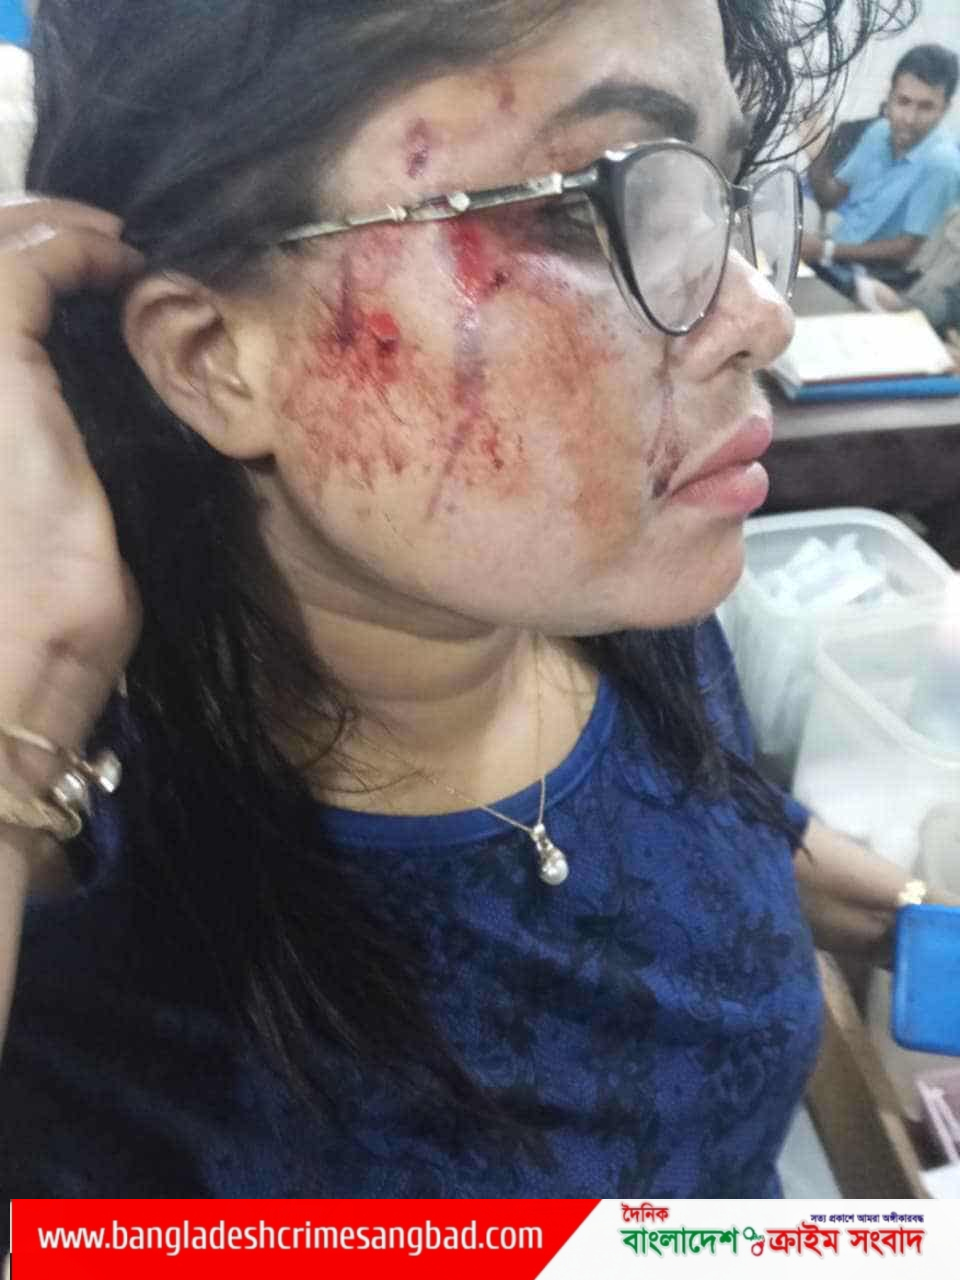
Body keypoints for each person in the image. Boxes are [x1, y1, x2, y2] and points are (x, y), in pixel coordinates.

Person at [0, 0, 952, 1199]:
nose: (758, 315)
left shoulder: (605, 596)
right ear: (212, 356)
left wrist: (918, 924)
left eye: (715, 187)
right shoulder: (72, 887)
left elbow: (716, 818)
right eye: (587, 205)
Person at [801, 43, 960, 293]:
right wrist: (818, 151)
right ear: (890, 96)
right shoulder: (878, 132)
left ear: (945, 109)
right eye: (903, 101)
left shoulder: (942, 163)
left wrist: (825, 250)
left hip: (883, 285)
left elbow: (906, 250)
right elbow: (830, 197)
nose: (909, 118)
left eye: (926, 107)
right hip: (836, 263)